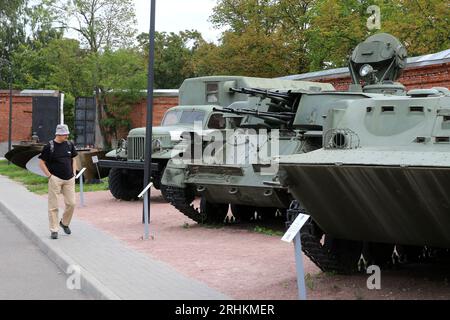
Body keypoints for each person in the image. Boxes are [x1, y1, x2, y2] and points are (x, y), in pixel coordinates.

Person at [38, 124, 78, 239]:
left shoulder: (70, 145)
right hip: (55, 179)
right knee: (53, 205)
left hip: (69, 179)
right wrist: (50, 176)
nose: (67, 136)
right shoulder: (49, 146)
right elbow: (41, 163)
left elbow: (73, 159)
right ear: (58, 134)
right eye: (65, 134)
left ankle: (64, 223)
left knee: (71, 203)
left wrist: (74, 173)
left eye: (67, 134)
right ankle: (54, 229)